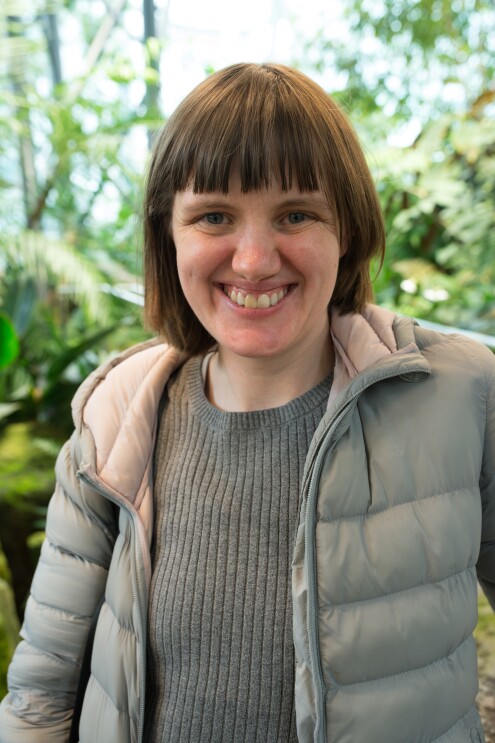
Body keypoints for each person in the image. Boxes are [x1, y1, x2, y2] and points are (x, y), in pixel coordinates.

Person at [0, 62, 494, 743]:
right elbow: (38, 697)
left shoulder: (459, 396)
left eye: (296, 213)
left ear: (345, 228)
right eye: (213, 217)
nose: (255, 259)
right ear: (167, 234)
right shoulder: (115, 418)